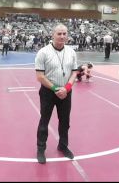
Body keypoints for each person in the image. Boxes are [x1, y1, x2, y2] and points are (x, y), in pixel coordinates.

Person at [34, 24, 78, 164]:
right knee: (44, 121)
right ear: (53, 34)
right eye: (59, 33)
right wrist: (55, 89)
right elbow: (40, 76)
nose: (62, 36)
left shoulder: (71, 52)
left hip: (66, 92)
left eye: (64, 33)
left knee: (65, 122)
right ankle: (41, 148)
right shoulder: (43, 52)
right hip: (48, 92)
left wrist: (67, 88)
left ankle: (63, 146)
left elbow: (74, 72)